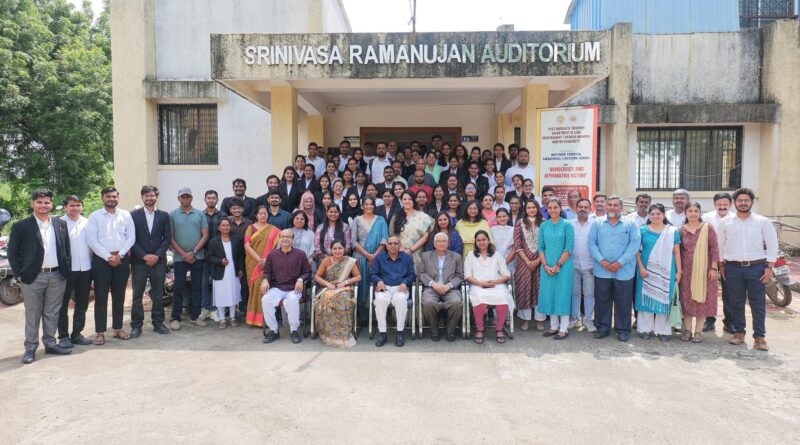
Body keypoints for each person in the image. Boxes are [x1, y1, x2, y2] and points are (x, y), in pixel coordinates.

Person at [8, 189, 72, 363]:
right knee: (33, 314)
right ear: (33, 204)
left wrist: (67, 272)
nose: (43, 206)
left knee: (52, 312)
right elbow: (12, 253)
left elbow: (66, 250)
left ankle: (50, 344)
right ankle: (30, 348)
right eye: (39, 202)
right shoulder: (21, 226)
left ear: (51, 204)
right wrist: (20, 275)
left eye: (47, 202)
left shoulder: (60, 224)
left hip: (57, 276)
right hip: (33, 277)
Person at [717, 187, 778, 351]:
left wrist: (769, 267)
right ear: (734, 203)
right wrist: (721, 266)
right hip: (733, 268)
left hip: (757, 268)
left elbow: (772, 244)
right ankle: (739, 333)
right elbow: (720, 246)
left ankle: (759, 337)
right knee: (735, 302)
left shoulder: (762, 221)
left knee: (757, 304)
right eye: (740, 200)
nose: (743, 203)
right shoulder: (725, 223)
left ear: (751, 202)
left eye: (746, 200)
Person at [588, 195, 641, 342]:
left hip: (624, 271)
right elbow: (592, 243)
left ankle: (623, 330)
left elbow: (634, 245)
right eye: (609, 205)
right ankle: (602, 328)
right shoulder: (597, 223)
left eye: (616, 205)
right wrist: (602, 261)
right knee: (602, 300)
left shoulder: (630, 224)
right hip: (602, 270)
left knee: (623, 302)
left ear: (621, 208)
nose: (612, 207)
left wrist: (620, 262)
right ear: (605, 206)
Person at [87, 187, 136, 343]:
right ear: (103, 198)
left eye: (114, 196)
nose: (112, 199)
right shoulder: (95, 216)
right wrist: (108, 257)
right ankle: (100, 332)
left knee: (119, 296)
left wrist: (119, 255)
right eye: (108, 196)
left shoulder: (125, 215)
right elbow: (92, 240)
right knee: (100, 297)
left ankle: (118, 328)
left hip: (121, 259)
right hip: (101, 260)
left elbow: (131, 238)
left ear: (118, 198)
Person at [130, 186, 173, 338]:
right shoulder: (133, 215)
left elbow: (167, 237)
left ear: (157, 197)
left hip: (158, 261)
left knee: (158, 293)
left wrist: (156, 255)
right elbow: (130, 239)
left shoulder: (164, 215)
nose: (149, 198)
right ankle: (136, 325)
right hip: (139, 261)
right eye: (146, 195)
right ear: (142, 197)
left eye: (152, 195)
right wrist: (144, 256)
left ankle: (158, 323)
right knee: (137, 294)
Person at [635, 203, 682, 341]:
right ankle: (645, 329)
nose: (655, 216)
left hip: (668, 270)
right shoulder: (642, 230)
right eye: (652, 214)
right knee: (646, 297)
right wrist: (641, 268)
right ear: (649, 216)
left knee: (664, 298)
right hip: (646, 270)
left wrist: (679, 271)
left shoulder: (672, 231)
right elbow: (636, 251)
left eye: (658, 214)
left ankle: (663, 330)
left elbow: (677, 253)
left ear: (663, 215)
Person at [260, 229, 312, 344]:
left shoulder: (300, 254)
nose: (285, 239)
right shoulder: (273, 255)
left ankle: (294, 330)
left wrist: (300, 279)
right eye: (283, 236)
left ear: (293, 239)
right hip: (277, 288)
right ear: (279, 238)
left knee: (292, 299)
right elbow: (267, 272)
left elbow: (307, 272)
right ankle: (273, 330)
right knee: (266, 299)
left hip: (294, 288)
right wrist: (265, 280)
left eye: (288, 237)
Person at [167, 187, 209, 331]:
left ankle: (195, 316)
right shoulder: (172, 215)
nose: (185, 199)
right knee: (178, 287)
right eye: (182, 197)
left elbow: (205, 234)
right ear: (178, 198)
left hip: (198, 257)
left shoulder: (199, 214)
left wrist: (194, 251)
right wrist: (184, 254)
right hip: (180, 258)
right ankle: (175, 318)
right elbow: (170, 237)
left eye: (187, 197)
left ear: (192, 198)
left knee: (197, 287)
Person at [679, 202, 720, 343]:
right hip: (686, 272)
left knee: (702, 300)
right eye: (690, 210)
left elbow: (714, 249)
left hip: (704, 271)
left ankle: (698, 332)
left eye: (696, 210)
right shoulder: (681, 230)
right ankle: (687, 330)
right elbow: (678, 251)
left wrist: (714, 268)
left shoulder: (707, 228)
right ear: (685, 213)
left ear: (700, 212)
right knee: (687, 301)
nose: (693, 213)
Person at [57, 195, 93, 347]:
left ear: (82, 207)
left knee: (82, 304)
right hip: (66, 271)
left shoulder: (88, 223)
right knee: (62, 304)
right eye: (72, 205)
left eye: (78, 205)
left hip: (85, 269)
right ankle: (63, 337)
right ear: (65, 207)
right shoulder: (58, 223)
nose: (75, 208)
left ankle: (77, 334)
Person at [465, 230, 512, 344]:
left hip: (496, 285)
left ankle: (499, 329)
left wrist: (495, 282)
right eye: (479, 240)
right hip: (477, 285)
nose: (481, 242)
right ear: (475, 242)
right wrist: (481, 284)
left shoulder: (497, 255)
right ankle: (480, 329)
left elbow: (506, 274)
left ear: (488, 240)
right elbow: (467, 275)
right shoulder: (471, 255)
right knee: (479, 298)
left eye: (484, 239)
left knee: (503, 297)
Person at [313, 240, 362, 347]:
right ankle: (330, 337)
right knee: (327, 301)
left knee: (343, 300)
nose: (337, 250)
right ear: (331, 250)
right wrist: (327, 284)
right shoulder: (326, 261)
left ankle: (344, 337)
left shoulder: (349, 261)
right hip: (329, 289)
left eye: (340, 248)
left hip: (345, 289)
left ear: (344, 249)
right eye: (334, 248)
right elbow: (317, 276)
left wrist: (345, 282)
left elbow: (358, 276)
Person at [538, 199, 575, 340]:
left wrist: (558, 265)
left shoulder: (567, 225)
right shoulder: (543, 225)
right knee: (549, 295)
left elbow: (569, 248)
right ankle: (553, 326)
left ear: (560, 208)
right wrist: (546, 265)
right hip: (546, 267)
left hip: (563, 267)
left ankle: (563, 328)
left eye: (555, 207)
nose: (552, 210)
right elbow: (541, 248)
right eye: (550, 208)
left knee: (562, 295)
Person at [371, 235, 416, 347]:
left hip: (400, 288)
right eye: (390, 243)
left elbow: (412, 275)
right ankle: (382, 333)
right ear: (386, 245)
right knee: (380, 301)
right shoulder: (380, 258)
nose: (393, 246)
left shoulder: (407, 258)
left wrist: (405, 282)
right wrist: (378, 280)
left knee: (401, 300)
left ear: (399, 245)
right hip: (384, 287)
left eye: (395, 243)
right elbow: (373, 274)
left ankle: (400, 332)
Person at [419, 233, 464, 342]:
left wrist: (449, 286)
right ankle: (434, 331)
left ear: (448, 243)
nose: (441, 243)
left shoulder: (456, 256)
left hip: (450, 288)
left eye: (444, 241)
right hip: (431, 288)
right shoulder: (426, 256)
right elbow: (421, 273)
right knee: (428, 303)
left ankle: (450, 331)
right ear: (434, 244)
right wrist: (433, 284)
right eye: (438, 241)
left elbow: (460, 276)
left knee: (456, 303)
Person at [351, 197, 388, 324]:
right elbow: (354, 242)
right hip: (361, 259)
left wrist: (374, 256)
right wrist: (367, 255)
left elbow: (384, 240)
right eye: (366, 204)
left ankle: (377, 316)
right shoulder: (356, 220)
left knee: (376, 284)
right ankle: (363, 316)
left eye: (371, 204)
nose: (369, 206)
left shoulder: (381, 220)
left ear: (374, 206)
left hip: (377, 259)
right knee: (362, 285)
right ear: (362, 206)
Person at [243, 206, 281, 327]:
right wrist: (259, 259)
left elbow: (277, 247)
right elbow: (247, 246)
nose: (263, 216)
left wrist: (267, 259)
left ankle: (265, 320)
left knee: (265, 289)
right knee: (254, 289)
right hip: (253, 263)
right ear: (256, 215)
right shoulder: (250, 228)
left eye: (265, 213)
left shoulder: (274, 230)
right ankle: (253, 319)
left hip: (268, 263)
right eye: (261, 213)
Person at [701, 192, 733, 333]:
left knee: (730, 292)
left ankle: (729, 322)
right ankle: (709, 320)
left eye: (725, 204)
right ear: (714, 205)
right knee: (709, 291)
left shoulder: (736, 218)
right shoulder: (706, 218)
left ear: (730, 205)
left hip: (729, 261)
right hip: (710, 260)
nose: (722, 207)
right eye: (719, 204)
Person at [207, 219, 244, 328]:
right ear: (219, 227)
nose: (226, 227)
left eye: (227, 225)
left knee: (233, 294)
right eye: (223, 225)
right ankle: (222, 319)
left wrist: (241, 268)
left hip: (234, 271)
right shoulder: (213, 241)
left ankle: (233, 317)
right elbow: (209, 256)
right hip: (220, 271)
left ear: (230, 227)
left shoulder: (236, 239)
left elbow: (241, 255)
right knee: (221, 295)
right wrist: (220, 261)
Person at [513, 200, 543, 331]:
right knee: (524, 289)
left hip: (541, 261)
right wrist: (528, 261)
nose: (531, 209)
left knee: (540, 290)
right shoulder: (519, 223)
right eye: (529, 207)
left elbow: (546, 245)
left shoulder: (544, 223)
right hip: (523, 262)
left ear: (537, 208)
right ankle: (525, 320)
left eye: (534, 207)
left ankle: (539, 320)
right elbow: (517, 245)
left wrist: (537, 261)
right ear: (525, 209)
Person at [390, 191, 433, 273]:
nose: (407, 201)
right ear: (401, 201)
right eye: (404, 199)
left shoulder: (423, 216)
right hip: (398, 253)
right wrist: (400, 249)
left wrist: (411, 250)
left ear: (414, 200)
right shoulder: (396, 217)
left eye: (410, 199)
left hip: (417, 253)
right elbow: (392, 235)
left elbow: (425, 237)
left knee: (416, 280)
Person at [570, 198, 596, 332]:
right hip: (573, 264)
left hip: (589, 265)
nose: (583, 209)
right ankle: (575, 319)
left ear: (590, 209)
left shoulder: (595, 224)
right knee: (574, 293)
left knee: (589, 293)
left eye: (586, 207)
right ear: (576, 208)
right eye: (580, 206)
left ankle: (588, 320)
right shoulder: (570, 224)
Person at [200, 190, 223, 322]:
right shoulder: (200, 215)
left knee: (216, 283)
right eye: (209, 198)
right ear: (205, 199)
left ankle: (214, 309)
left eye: (214, 198)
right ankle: (205, 308)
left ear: (217, 200)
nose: (211, 200)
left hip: (217, 256)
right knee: (203, 283)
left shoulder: (222, 215)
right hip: (202, 255)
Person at [492, 208, 516, 273]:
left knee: (509, 281)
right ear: (496, 218)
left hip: (510, 261)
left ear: (508, 217)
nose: (502, 218)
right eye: (499, 217)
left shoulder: (513, 230)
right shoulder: (492, 230)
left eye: (504, 216)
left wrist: (506, 261)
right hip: (495, 261)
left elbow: (514, 248)